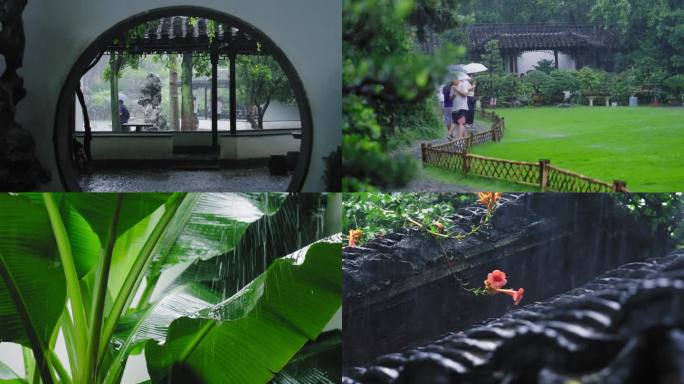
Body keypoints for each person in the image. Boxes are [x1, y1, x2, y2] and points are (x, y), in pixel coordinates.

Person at [450, 73, 474, 139]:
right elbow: (450, 99)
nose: (453, 81)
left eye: (454, 79)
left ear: (458, 79)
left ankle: (460, 138)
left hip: (462, 107)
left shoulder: (463, 85)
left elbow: (466, 94)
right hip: (455, 108)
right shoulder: (452, 87)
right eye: (452, 80)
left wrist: (457, 90)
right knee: (455, 122)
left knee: (461, 123)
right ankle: (451, 135)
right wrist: (454, 94)